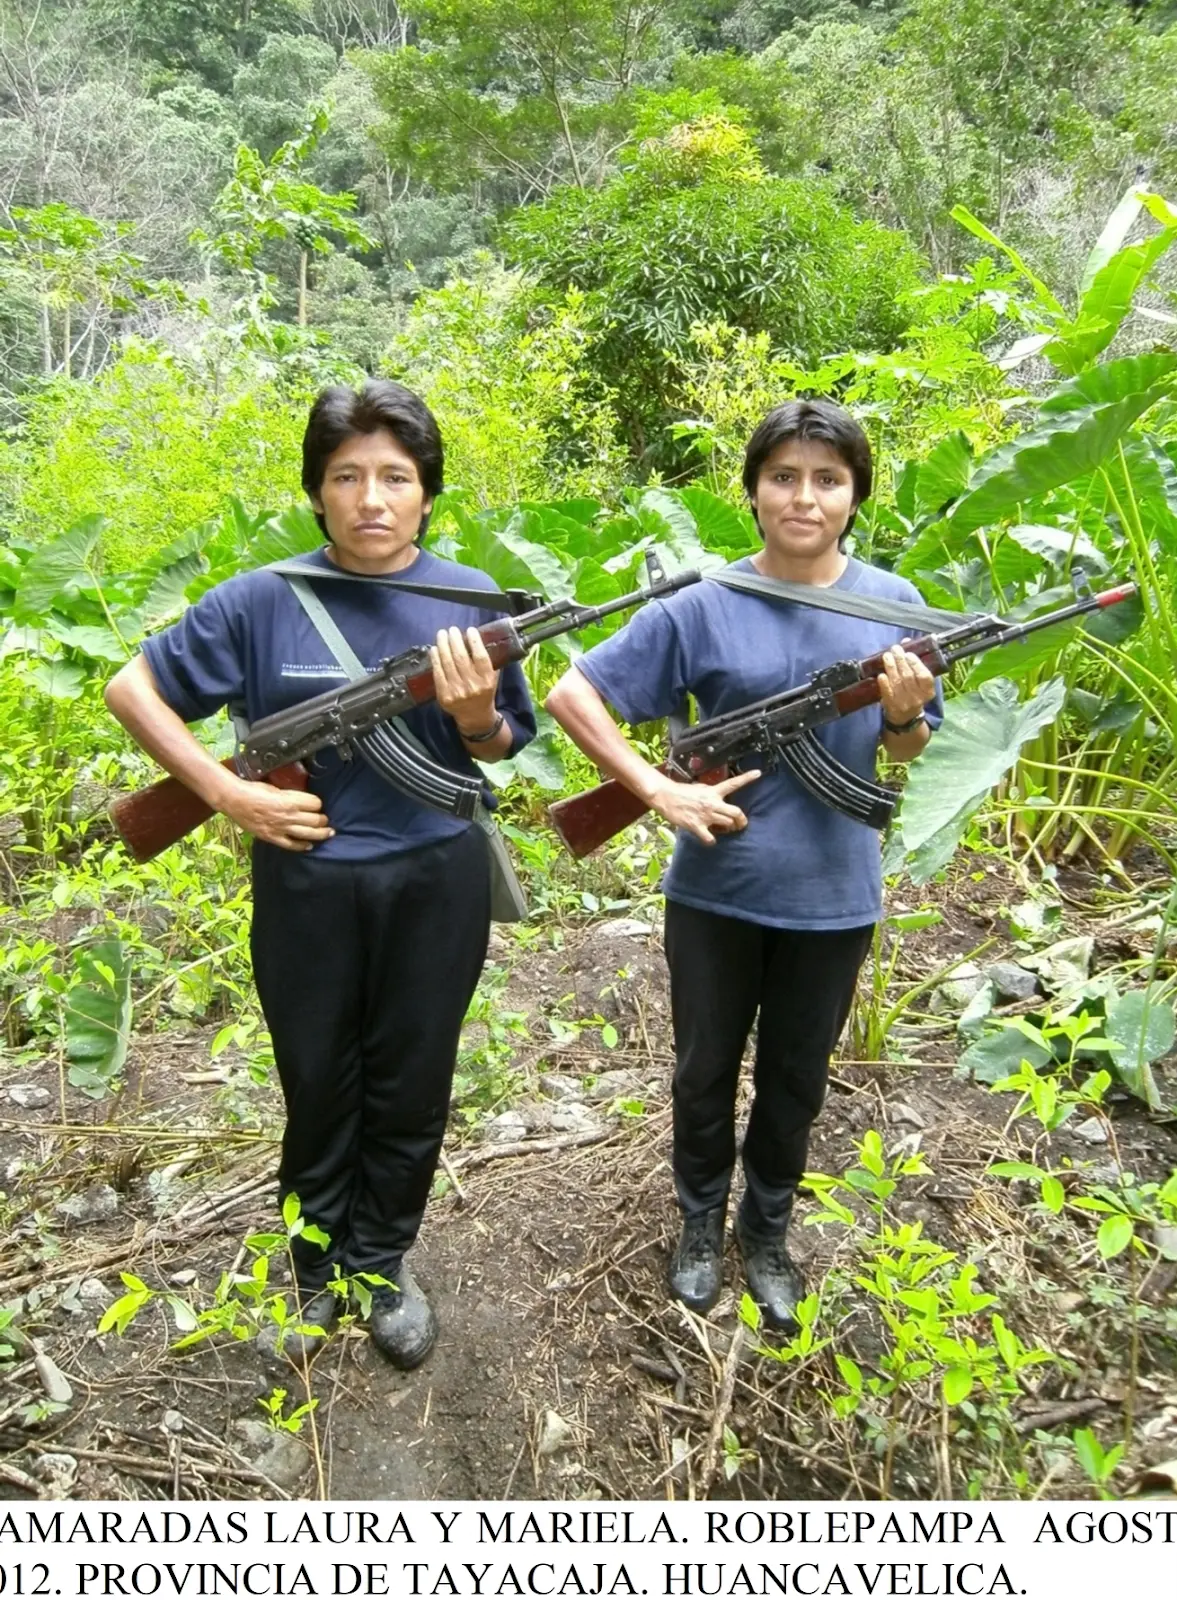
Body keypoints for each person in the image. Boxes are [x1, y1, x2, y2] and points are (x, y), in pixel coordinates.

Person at [105, 379, 536, 1369]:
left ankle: (381, 1262)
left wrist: (473, 719)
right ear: (316, 491)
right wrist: (225, 791)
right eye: (347, 476)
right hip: (305, 883)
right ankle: (315, 1269)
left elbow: (505, 739)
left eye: (394, 476)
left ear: (427, 491)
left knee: (412, 1077)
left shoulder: (468, 598)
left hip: (435, 875)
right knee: (316, 1077)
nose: (371, 498)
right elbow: (133, 686)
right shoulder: (264, 599)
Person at [545, 399, 941, 1329]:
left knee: (796, 1079)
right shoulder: (702, 604)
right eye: (784, 477)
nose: (804, 498)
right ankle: (696, 1228)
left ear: (854, 496)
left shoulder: (896, 608)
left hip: (833, 897)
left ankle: (765, 1235)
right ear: (755, 491)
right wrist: (656, 789)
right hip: (716, 893)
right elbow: (572, 692)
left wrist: (899, 711)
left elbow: (907, 752)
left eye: (827, 480)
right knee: (702, 1071)